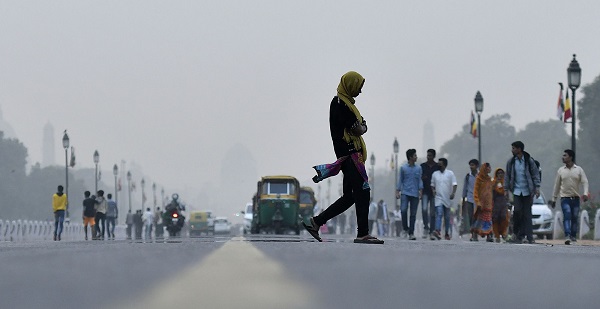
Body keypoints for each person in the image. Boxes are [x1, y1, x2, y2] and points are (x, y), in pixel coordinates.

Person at [305, 71, 383, 244]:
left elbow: (361, 125)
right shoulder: (340, 104)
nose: (360, 91)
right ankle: (363, 233)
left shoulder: (347, 104)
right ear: (350, 85)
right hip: (350, 154)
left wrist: (361, 126)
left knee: (351, 196)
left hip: (351, 155)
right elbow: (357, 127)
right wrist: (361, 127)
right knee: (363, 191)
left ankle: (316, 222)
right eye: (359, 87)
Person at [504, 141, 541, 244]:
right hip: (516, 191)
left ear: (519, 149)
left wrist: (537, 188)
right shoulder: (511, 162)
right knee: (517, 212)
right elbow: (507, 176)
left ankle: (529, 237)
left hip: (528, 191)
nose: (512, 150)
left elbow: (535, 174)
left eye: (514, 148)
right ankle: (517, 234)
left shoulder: (529, 161)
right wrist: (506, 189)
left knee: (527, 214)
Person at [551, 149, 589, 245]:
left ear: (570, 157)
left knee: (575, 217)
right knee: (567, 215)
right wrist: (554, 199)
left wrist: (585, 193)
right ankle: (567, 235)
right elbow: (557, 185)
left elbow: (585, 182)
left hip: (575, 198)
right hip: (565, 198)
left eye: (565, 155)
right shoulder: (560, 171)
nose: (562, 157)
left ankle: (573, 236)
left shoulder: (579, 170)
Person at [396, 149, 423, 240]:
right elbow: (400, 180)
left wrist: (421, 191)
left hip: (415, 193)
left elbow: (419, 180)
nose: (416, 157)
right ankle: (405, 228)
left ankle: (411, 232)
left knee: (413, 214)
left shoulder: (418, 168)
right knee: (403, 210)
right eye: (415, 155)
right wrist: (397, 191)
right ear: (410, 157)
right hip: (405, 192)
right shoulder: (403, 168)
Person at [430, 158, 457, 240]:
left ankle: (446, 233)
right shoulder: (435, 174)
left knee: (447, 217)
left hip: (447, 198)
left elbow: (455, 184)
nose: (438, 165)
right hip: (438, 198)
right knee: (439, 213)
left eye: (440, 164)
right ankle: (437, 230)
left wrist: (453, 193)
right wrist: (433, 190)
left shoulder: (450, 173)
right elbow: (432, 184)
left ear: (444, 165)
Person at [471, 163, 494, 242]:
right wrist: (477, 202)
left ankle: (489, 235)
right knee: (479, 220)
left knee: (488, 220)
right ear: (484, 169)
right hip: (481, 204)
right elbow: (475, 192)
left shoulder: (490, 179)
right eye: (488, 167)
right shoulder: (479, 179)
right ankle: (475, 234)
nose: (490, 169)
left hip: (489, 204)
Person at [420, 149, 439, 238]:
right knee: (424, 209)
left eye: (430, 155)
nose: (428, 157)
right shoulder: (422, 166)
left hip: (434, 192)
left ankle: (432, 230)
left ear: (434, 156)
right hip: (425, 191)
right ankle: (426, 227)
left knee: (432, 212)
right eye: (427, 155)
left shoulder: (437, 167)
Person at [460, 159, 479, 236]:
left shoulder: (480, 176)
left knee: (477, 216)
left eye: (473, 165)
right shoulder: (468, 176)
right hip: (470, 199)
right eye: (470, 165)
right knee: (471, 216)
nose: (471, 167)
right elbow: (465, 188)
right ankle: (473, 232)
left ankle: (476, 231)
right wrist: (464, 199)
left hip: (478, 200)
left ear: (477, 166)